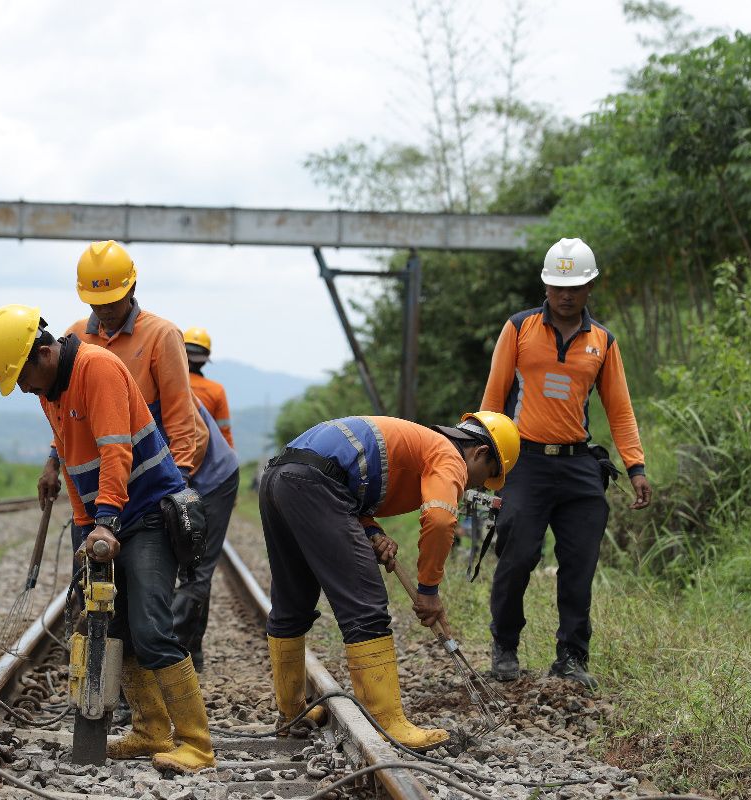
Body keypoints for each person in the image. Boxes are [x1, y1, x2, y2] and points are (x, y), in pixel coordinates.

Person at [0, 304, 215, 774]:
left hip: (144, 512)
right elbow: (72, 462)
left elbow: (115, 452)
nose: (21, 389)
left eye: (21, 376)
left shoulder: (96, 368)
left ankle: (197, 745)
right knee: (117, 625)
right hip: (109, 517)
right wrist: (87, 530)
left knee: (150, 627)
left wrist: (105, 522)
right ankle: (150, 731)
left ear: (43, 354)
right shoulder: (51, 391)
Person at [37, 241, 241, 672]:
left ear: (131, 289)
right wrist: (55, 459)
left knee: (182, 569)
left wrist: (178, 491)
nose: (105, 311)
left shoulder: (160, 335)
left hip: (194, 467)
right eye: (96, 302)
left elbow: (182, 421)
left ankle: (185, 658)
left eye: (112, 300)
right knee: (118, 584)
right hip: (130, 468)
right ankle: (132, 685)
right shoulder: (76, 337)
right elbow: (74, 417)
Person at [259, 412, 519, 750]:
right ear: (480, 453)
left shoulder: (417, 444)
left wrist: (371, 531)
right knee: (365, 605)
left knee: (291, 605)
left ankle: (291, 715)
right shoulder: (448, 456)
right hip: (313, 485)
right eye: (487, 477)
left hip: (280, 478)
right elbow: (440, 520)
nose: (478, 486)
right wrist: (428, 592)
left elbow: (341, 483)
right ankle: (388, 723)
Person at [479, 237, 654, 689]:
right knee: (517, 557)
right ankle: (505, 647)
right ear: (546, 284)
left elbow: (620, 409)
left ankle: (572, 657)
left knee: (579, 566)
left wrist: (635, 466)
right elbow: (493, 401)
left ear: (590, 286)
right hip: (525, 462)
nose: (565, 294)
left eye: (575, 286)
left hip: (579, 467)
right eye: (558, 285)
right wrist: (486, 463)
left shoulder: (603, 342)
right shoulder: (518, 329)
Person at [183, 326, 233, 448]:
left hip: (167, 455)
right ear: (205, 359)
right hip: (204, 457)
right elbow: (224, 432)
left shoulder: (164, 383)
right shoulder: (216, 390)